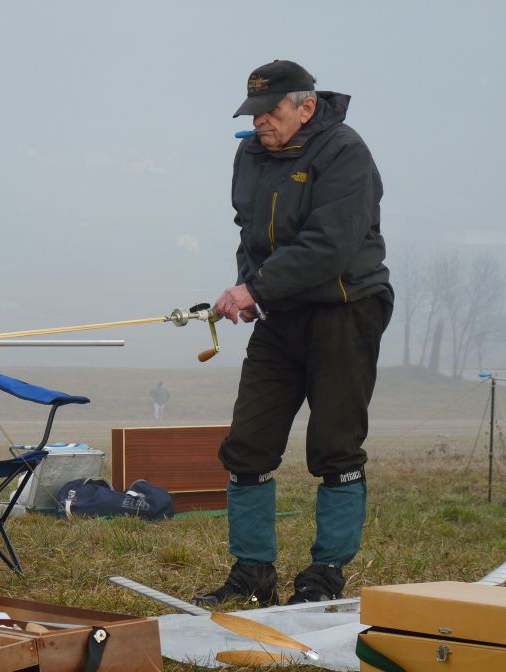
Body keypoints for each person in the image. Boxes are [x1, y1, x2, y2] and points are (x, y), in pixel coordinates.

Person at [193, 60, 393, 607]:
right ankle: (253, 572)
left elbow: (332, 245)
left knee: (335, 446)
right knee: (248, 444)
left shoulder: (345, 152)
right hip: (282, 314)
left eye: (270, 111)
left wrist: (258, 289)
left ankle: (324, 575)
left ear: (306, 107)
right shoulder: (250, 154)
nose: (260, 122)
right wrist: (247, 287)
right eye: (252, 112)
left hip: (346, 309)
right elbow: (250, 233)